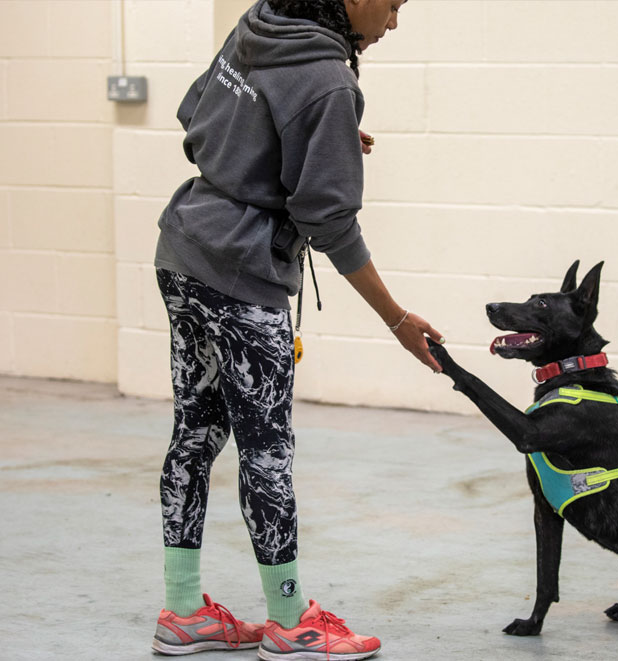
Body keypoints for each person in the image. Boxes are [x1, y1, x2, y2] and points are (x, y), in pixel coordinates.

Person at [150, 1, 438, 659]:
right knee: (266, 448)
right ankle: (289, 620)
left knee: (193, 434)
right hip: (244, 277)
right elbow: (328, 222)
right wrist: (396, 319)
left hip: (183, 252)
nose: (392, 22)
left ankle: (183, 609)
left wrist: (310, 140)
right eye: (393, 4)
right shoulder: (329, 76)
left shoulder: (264, 20)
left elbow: (197, 117)